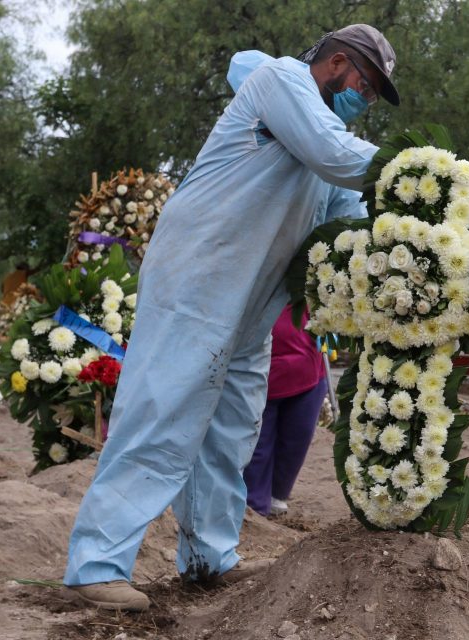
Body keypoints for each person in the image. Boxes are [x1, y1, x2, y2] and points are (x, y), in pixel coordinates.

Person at [64, 24, 399, 612]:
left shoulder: (324, 132)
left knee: (230, 434)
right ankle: (97, 565)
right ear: (339, 62)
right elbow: (337, 156)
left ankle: (208, 560)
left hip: (249, 305)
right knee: (159, 412)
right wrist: (420, 169)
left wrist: (407, 227)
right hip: (196, 284)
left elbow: (350, 209)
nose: (362, 104)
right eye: (365, 90)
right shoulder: (283, 83)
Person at [243, 304, 327, 516]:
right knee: (258, 446)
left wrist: (330, 332)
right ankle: (255, 505)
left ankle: (276, 495)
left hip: (308, 369)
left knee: (296, 438)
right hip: (261, 374)